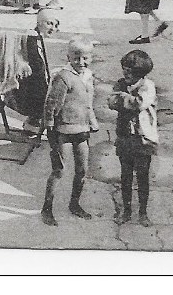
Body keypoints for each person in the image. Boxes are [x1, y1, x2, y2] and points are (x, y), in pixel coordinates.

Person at [41, 39, 99, 226]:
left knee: (82, 170)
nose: (81, 62)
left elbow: (88, 103)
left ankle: (75, 204)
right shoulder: (64, 77)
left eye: (85, 58)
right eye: (76, 58)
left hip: (82, 130)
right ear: (68, 57)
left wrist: (92, 122)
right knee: (59, 170)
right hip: (63, 130)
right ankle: (47, 208)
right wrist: (49, 124)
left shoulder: (88, 76)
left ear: (91, 58)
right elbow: (52, 103)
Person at [108, 49, 158, 227]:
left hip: (143, 139)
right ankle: (127, 210)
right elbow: (111, 102)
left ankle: (143, 212)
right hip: (125, 137)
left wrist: (123, 98)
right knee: (125, 176)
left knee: (142, 176)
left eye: (131, 72)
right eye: (124, 70)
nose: (126, 74)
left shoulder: (147, 86)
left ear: (142, 73)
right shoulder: (120, 84)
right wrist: (124, 98)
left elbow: (138, 104)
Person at [12, 8, 59, 130]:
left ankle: (32, 122)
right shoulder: (31, 39)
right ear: (39, 23)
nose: (53, 28)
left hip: (28, 89)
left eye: (55, 25)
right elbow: (37, 71)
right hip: (25, 95)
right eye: (49, 23)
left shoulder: (35, 37)